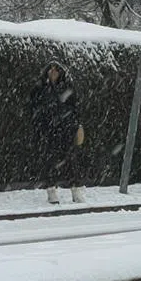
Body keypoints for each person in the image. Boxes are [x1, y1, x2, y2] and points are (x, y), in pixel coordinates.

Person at [30, 61, 86, 204]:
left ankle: (76, 190)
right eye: (51, 70)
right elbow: (36, 108)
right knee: (51, 161)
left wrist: (74, 125)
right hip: (49, 132)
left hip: (66, 131)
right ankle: (52, 191)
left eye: (56, 70)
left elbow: (75, 108)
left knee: (71, 161)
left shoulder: (67, 88)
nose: (53, 72)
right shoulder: (41, 88)